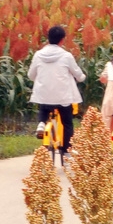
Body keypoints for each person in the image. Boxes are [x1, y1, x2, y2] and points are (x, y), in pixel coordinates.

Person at [29, 25, 86, 154]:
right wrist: (82, 77)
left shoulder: (38, 55)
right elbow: (78, 74)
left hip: (43, 96)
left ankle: (42, 123)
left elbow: (30, 75)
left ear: (48, 39)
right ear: (62, 40)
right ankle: (66, 151)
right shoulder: (66, 56)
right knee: (67, 122)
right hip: (62, 97)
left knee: (44, 105)